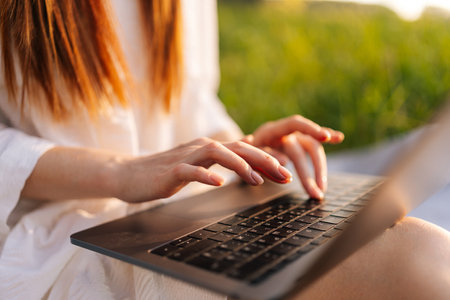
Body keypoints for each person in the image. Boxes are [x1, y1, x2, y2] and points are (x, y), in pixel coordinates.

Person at [0, 1, 448, 299]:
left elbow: (191, 103)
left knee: (424, 252)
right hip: (53, 230)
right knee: (415, 261)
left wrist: (243, 147)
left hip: (184, 209)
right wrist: (122, 171)